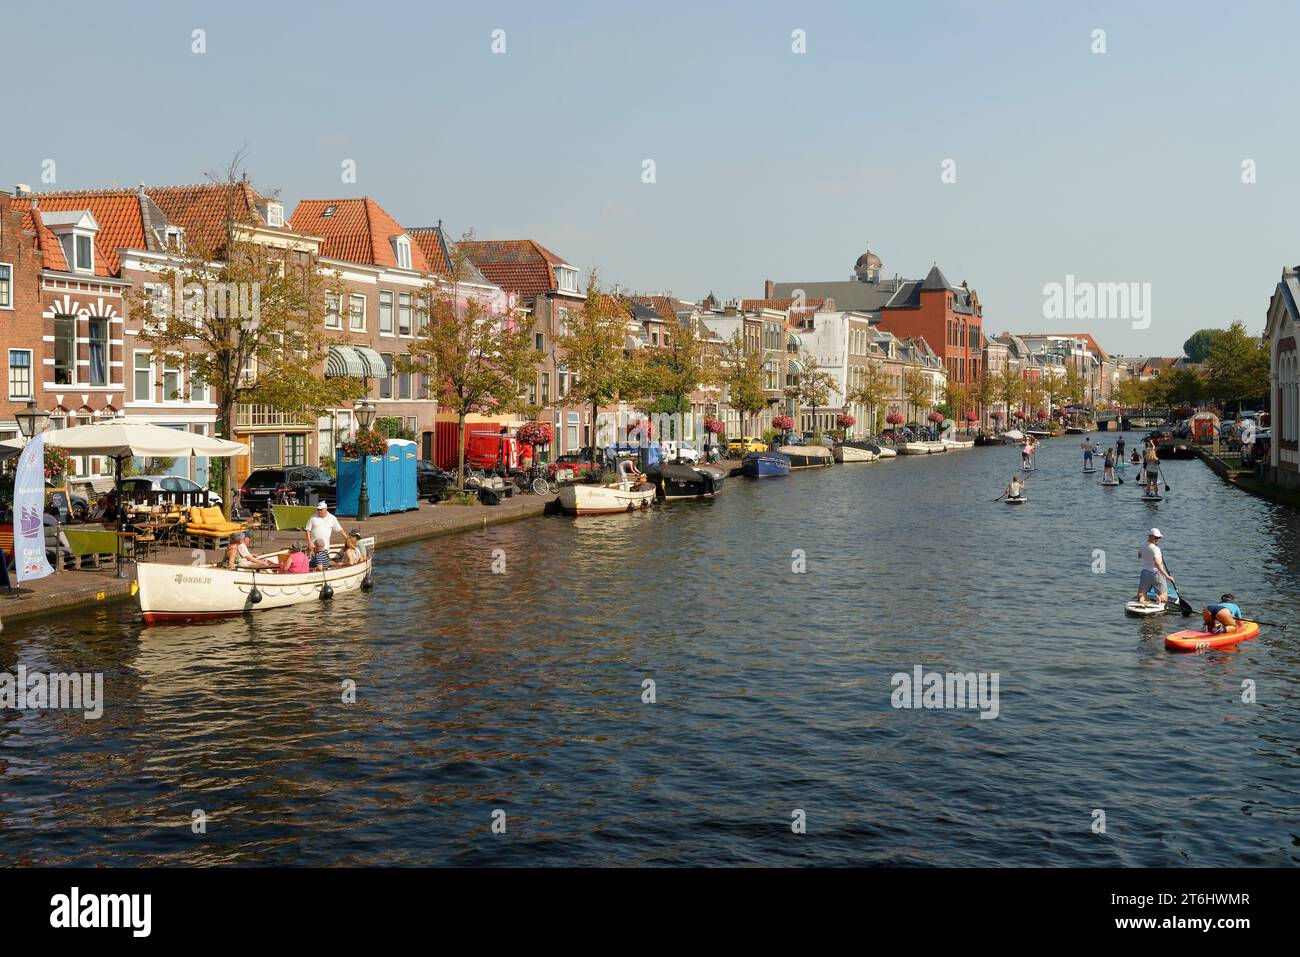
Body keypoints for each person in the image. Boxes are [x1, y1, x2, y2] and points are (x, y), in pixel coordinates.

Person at [1135, 528, 1174, 606]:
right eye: (1156, 537)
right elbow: (1156, 563)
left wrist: (1147, 555)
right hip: (1156, 574)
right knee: (1165, 597)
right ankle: (1159, 598)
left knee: (1141, 594)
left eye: (1158, 538)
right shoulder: (1156, 549)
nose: (1157, 539)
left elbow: (1139, 556)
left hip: (1145, 572)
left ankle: (1142, 600)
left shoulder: (1142, 545)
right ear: (1150, 536)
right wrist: (1167, 576)